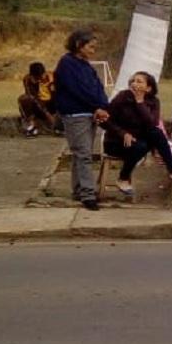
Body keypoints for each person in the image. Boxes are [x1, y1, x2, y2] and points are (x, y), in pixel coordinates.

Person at [53, 29, 110, 211]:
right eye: (90, 47)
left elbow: (97, 87)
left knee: (82, 153)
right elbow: (77, 90)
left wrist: (103, 105)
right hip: (76, 114)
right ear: (79, 45)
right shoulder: (67, 64)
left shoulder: (86, 65)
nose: (93, 51)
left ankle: (79, 189)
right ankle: (87, 194)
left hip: (90, 113)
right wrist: (96, 106)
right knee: (83, 154)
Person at [103, 71, 172, 196]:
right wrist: (123, 133)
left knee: (156, 133)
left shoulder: (153, 101)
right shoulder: (122, 97)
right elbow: (105, 120)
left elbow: (152, 123)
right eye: (133, 81)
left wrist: (140, 102)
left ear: (148, 88)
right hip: (116, 141)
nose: (134, 84)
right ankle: (123, 178)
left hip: (139, 140)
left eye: (139, 82)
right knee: (141, 146)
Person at [17, 62, 57, 136]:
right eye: (36, 78)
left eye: (41, 76)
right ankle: (31, 126)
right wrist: (47, 114)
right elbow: (33, 97)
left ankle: (60, 126)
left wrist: (51, 84)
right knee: (24, 99)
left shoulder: (52, 77)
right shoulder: (28, 79)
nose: (39, 79)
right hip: (38, 105)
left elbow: (57, 95)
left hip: (52, 103)